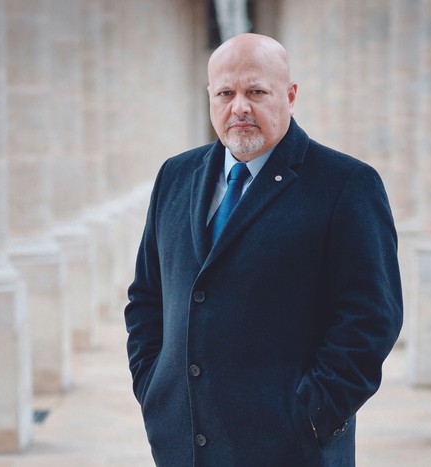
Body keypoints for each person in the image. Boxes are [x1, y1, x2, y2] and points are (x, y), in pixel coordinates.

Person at [125, 33, 402, 467]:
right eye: (226, 93)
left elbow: (370, 320)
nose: (240, 107)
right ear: (210, 98)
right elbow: (146, 295)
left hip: (291, 449)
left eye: (256, 91)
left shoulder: (347, 184)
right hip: (182, 445)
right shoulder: (175, 176)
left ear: (289, 96)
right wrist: (154, 389)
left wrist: (311, 415)